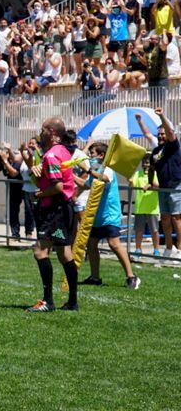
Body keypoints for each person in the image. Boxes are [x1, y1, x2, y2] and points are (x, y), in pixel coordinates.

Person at [27, 117, 79, 313]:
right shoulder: (63, 151)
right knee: (65, 254)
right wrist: (37, 172)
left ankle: (48, 301)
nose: (41, 133)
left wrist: (38, 194)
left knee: (40, 252)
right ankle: (72, 302)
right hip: (64, 208)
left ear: (53, 133)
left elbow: (57, 186)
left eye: (43, 130)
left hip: (54, 210)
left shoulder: (51, 155)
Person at [76, 142, 140, 290]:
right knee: (92, 245)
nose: (89, 156)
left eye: (92, 153)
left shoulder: (108, 169)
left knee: (114, 244)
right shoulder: (95, 170)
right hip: (97, 216)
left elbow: (104, 178)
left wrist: (87, 169)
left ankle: (131, 276)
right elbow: (85, 185)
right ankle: (95, 277)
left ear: (101, 155)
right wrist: (69, 175)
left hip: (110, 214)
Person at [138, 108, 181, 259]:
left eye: (163, 134)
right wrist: (150, 182)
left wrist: (162, 116)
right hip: (163, 188)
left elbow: (170, 132)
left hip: (176, 186)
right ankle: (169, 248)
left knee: (176, 218)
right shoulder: (156, 151)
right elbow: (152, 168)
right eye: (159, 134)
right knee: (165, 218)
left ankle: (180, 249)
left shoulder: (173, 145)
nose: (161, 136)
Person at [0, 142, 29, 240]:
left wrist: (5, 161)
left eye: (4, 152)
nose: (3, 154)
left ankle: (29, 232)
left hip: (25, 187)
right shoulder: (3, 161)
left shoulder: (17, 160)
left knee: (28, 210)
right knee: (13, 211)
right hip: (13, 188)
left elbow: (14, 173)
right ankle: (15, 234)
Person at [130, 155, 160, 258]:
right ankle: (138, 249)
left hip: (152, 208)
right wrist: (130, 180)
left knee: (154, 230)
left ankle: (156, 250)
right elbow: (132, 185)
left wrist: (150, 183)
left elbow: (158, 185)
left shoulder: (155, 173)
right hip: (140, 207)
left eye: (147, 163)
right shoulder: (137, 174)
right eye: (143, 163)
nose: (145, 165)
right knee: (139, 230)